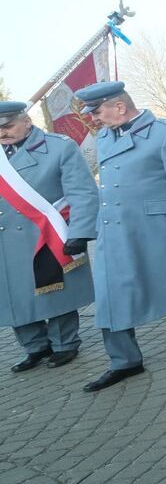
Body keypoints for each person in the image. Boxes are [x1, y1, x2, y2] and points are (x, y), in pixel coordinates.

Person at [72, 81, 166, 392]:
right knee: (110, 294)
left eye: (96, 111)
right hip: (114, 230)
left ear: (119, 107)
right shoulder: (105, 136)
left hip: (156, 228)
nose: (92, 118)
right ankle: (124, 361)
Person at [0, 102, 97, 371]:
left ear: (27, 121)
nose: (1, 133)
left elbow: (82, 192)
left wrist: (80, 231)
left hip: (47, 233)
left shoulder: (59, 147)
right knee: (12, 294)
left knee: (54, 290)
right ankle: (35, 346)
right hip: (4, 239)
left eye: (7, 126)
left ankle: (64, 344)